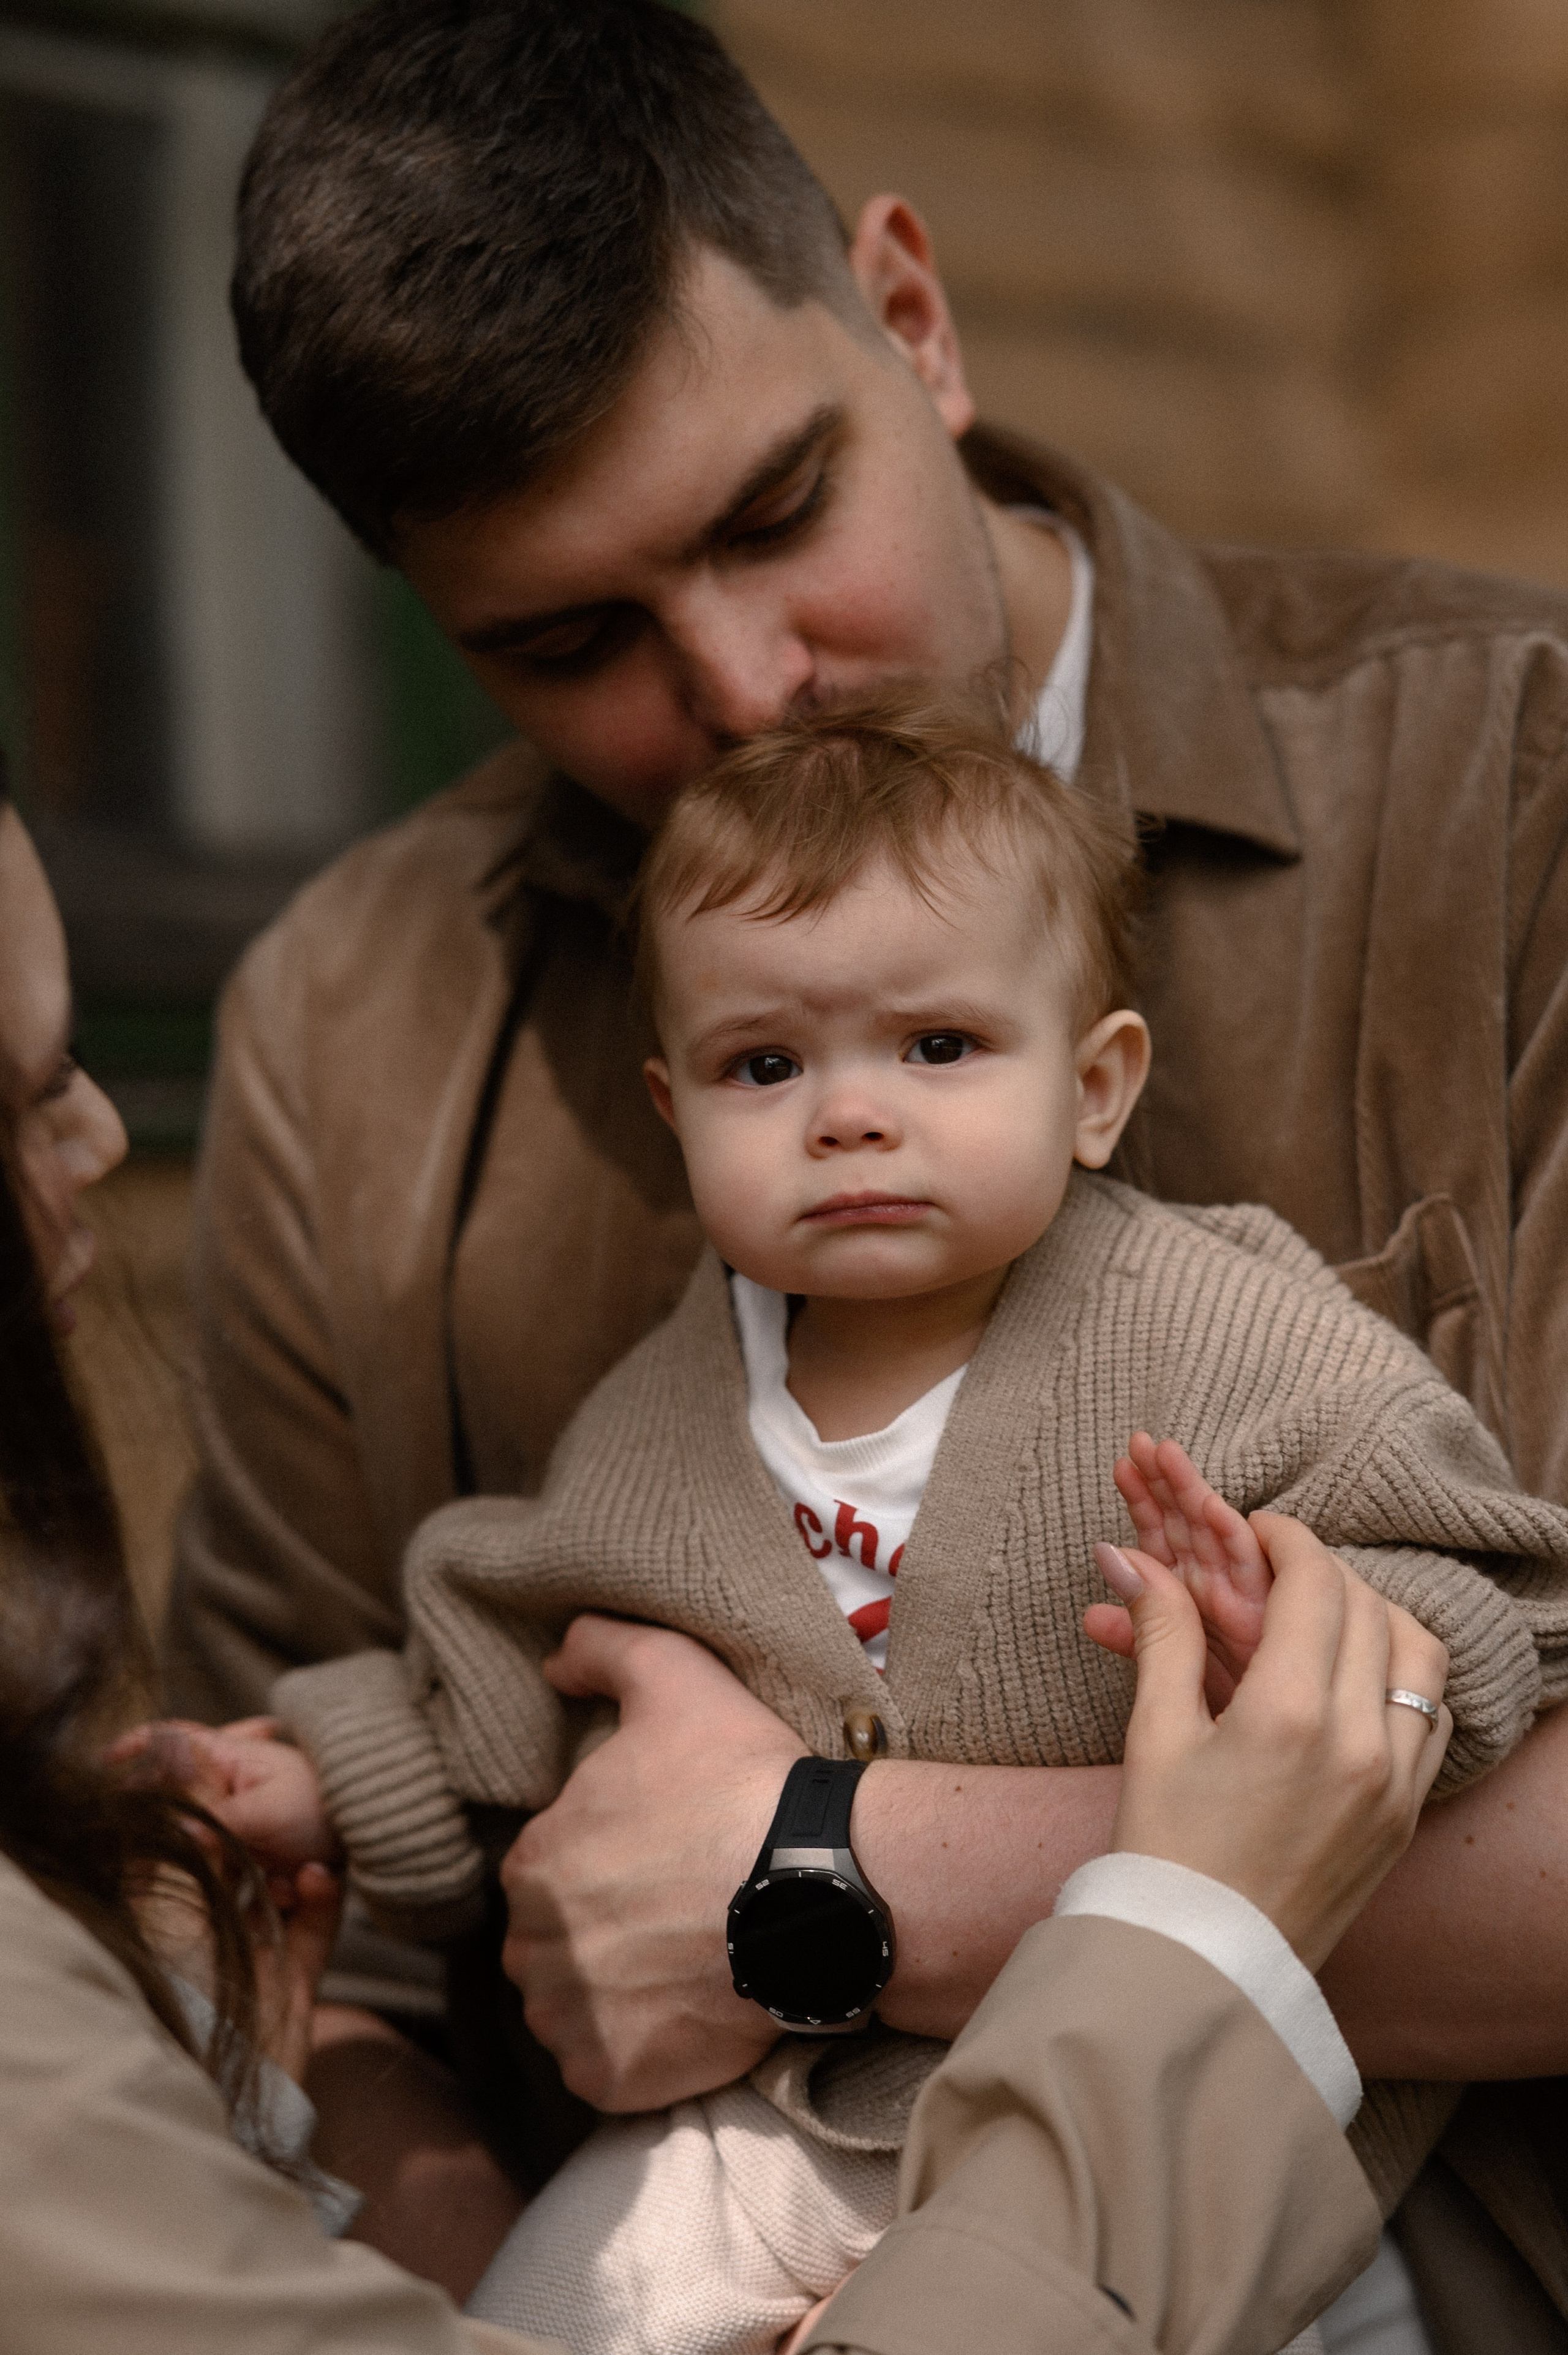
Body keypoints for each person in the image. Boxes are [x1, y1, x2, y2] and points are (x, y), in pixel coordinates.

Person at [164, 0, 1568, 2335]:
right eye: (572, 638)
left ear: (911, 317)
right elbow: (309, 1975)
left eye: (771, 513)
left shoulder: (1514, 803)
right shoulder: (351, 1036)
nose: (738, 687)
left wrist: (814, 1880)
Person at [0, 760, 1455, 2354]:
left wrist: (1310, 1643)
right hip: (760, 2129)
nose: (850, 1110)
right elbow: (504, 1687)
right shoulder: (661, 1415)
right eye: (765, 1063)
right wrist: (326, 1784)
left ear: (1097, 1085)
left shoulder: (1219, 1327)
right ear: (673, 1108)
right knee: (543, 2312)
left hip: (1163, 2088)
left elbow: (1492, 1580)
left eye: (940, 1045)